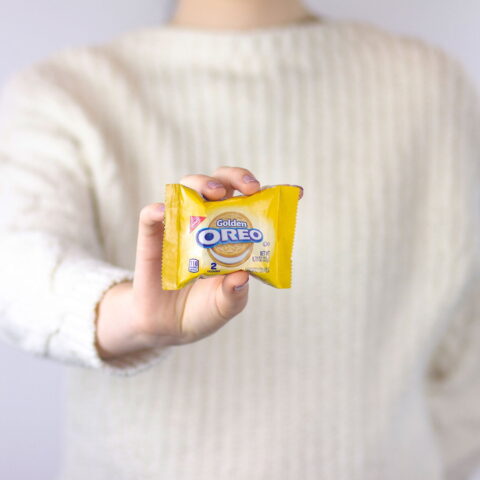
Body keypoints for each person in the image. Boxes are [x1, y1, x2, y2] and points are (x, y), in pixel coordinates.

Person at [0, 0, 479, 478]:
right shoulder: (66, 92)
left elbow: (466, 372)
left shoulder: (432, 89)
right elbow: (19, 267)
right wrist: (129, 316)